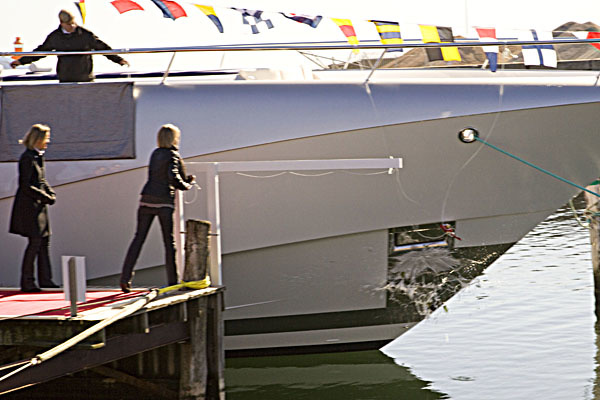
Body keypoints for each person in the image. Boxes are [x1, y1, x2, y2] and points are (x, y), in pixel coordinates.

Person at [120, 124, 195, 293]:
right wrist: (187, 185)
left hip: (146, 200)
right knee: (169, 243)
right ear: (174, 138)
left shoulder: (155, 154)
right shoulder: (173, 155)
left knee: (138, 239)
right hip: (163, 203)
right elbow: (174, 176)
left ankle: (125, 278)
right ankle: (172, 280)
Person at [10, 9, 129, 83]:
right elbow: (41, 51)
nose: (72, 26)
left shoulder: (85, 34)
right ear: (61, 23)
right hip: (65, 77)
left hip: (85, 77)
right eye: (69, 24)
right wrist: (21, 61)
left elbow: (102, 47)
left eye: (73, 23)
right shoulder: (55, 37)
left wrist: (119, 60)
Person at [9, 124, 59, 292]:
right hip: (29, 207)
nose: (48, 142)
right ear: (38, 139)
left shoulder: (38, 157)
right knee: (35, 242)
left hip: (38, 205)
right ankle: (28, 281)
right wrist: (45, 197)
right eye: (46, 139)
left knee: (44, 241)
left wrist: (50, 193)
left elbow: (42, 180)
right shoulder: (27, 158)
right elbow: (26, 185)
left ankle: (46, 279)